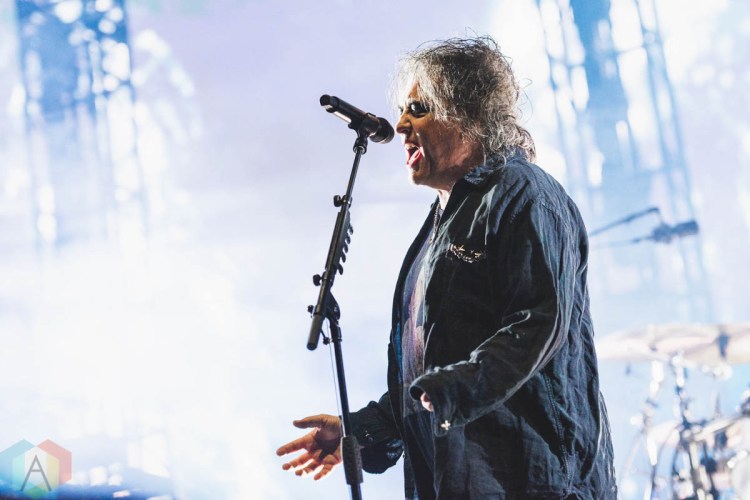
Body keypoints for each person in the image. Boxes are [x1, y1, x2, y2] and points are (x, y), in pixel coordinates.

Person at [277, 36, 617, 499]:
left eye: (418, 110)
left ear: (468, 114)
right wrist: (361, 430)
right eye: (402, 111)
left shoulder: (526, 195)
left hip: (532, 479)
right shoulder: (442, 222)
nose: (400, 125)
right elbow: (433, 364)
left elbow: (539, 322)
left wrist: (448, 392)